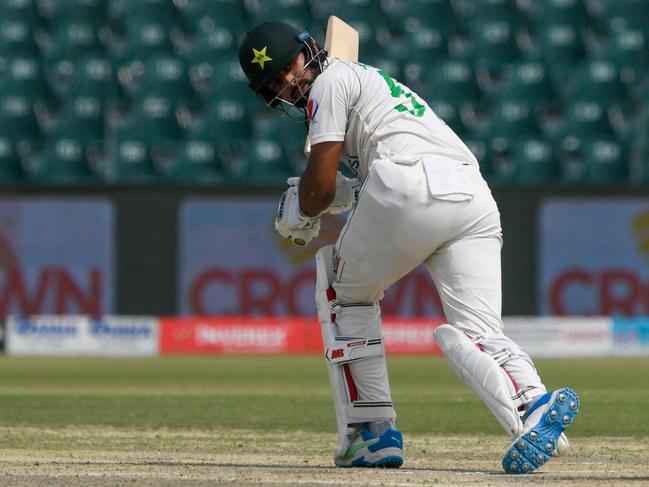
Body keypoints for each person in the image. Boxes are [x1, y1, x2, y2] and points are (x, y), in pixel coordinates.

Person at [238, 20, 580, 473]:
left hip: (407, 183)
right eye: (275, 82)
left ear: (311, 51)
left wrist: (300, 212)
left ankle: (371, 433)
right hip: (470, 195)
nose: (288, 81)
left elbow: (322, 190)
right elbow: (362, 187)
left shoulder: (331, 82)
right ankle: (534, 404)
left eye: (289, 67)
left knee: (344, 293)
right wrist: (315, 199)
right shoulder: (368, 85)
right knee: (479, 332)